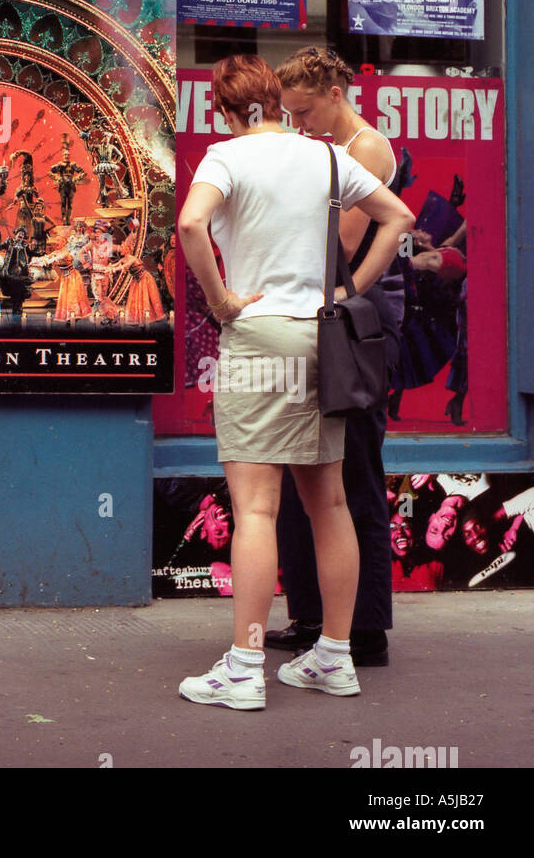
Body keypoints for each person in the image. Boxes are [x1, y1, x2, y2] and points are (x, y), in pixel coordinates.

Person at [176, 54, 413, 710]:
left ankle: (245, 666)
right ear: (279, 101)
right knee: (330, 503)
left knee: (257, 507)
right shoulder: (328, 158)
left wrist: (221, 299)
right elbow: (399, 217)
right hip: (321, 338)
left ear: (225, 108)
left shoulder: (225, 158)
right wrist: (344, 292)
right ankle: (334, 657)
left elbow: (192, 224)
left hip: (259, 336)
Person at [263, 46, 405, 668]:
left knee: (352, 466)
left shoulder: (365, 150)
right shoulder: (318, 148)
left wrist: (350, 294)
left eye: (305, 110)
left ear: (335, 95)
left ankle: (365, 626)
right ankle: (313, 615)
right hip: (315, 308)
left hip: (350, 316)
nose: (299, 124)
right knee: (304, 465)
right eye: (288, 115)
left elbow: (338, 244)